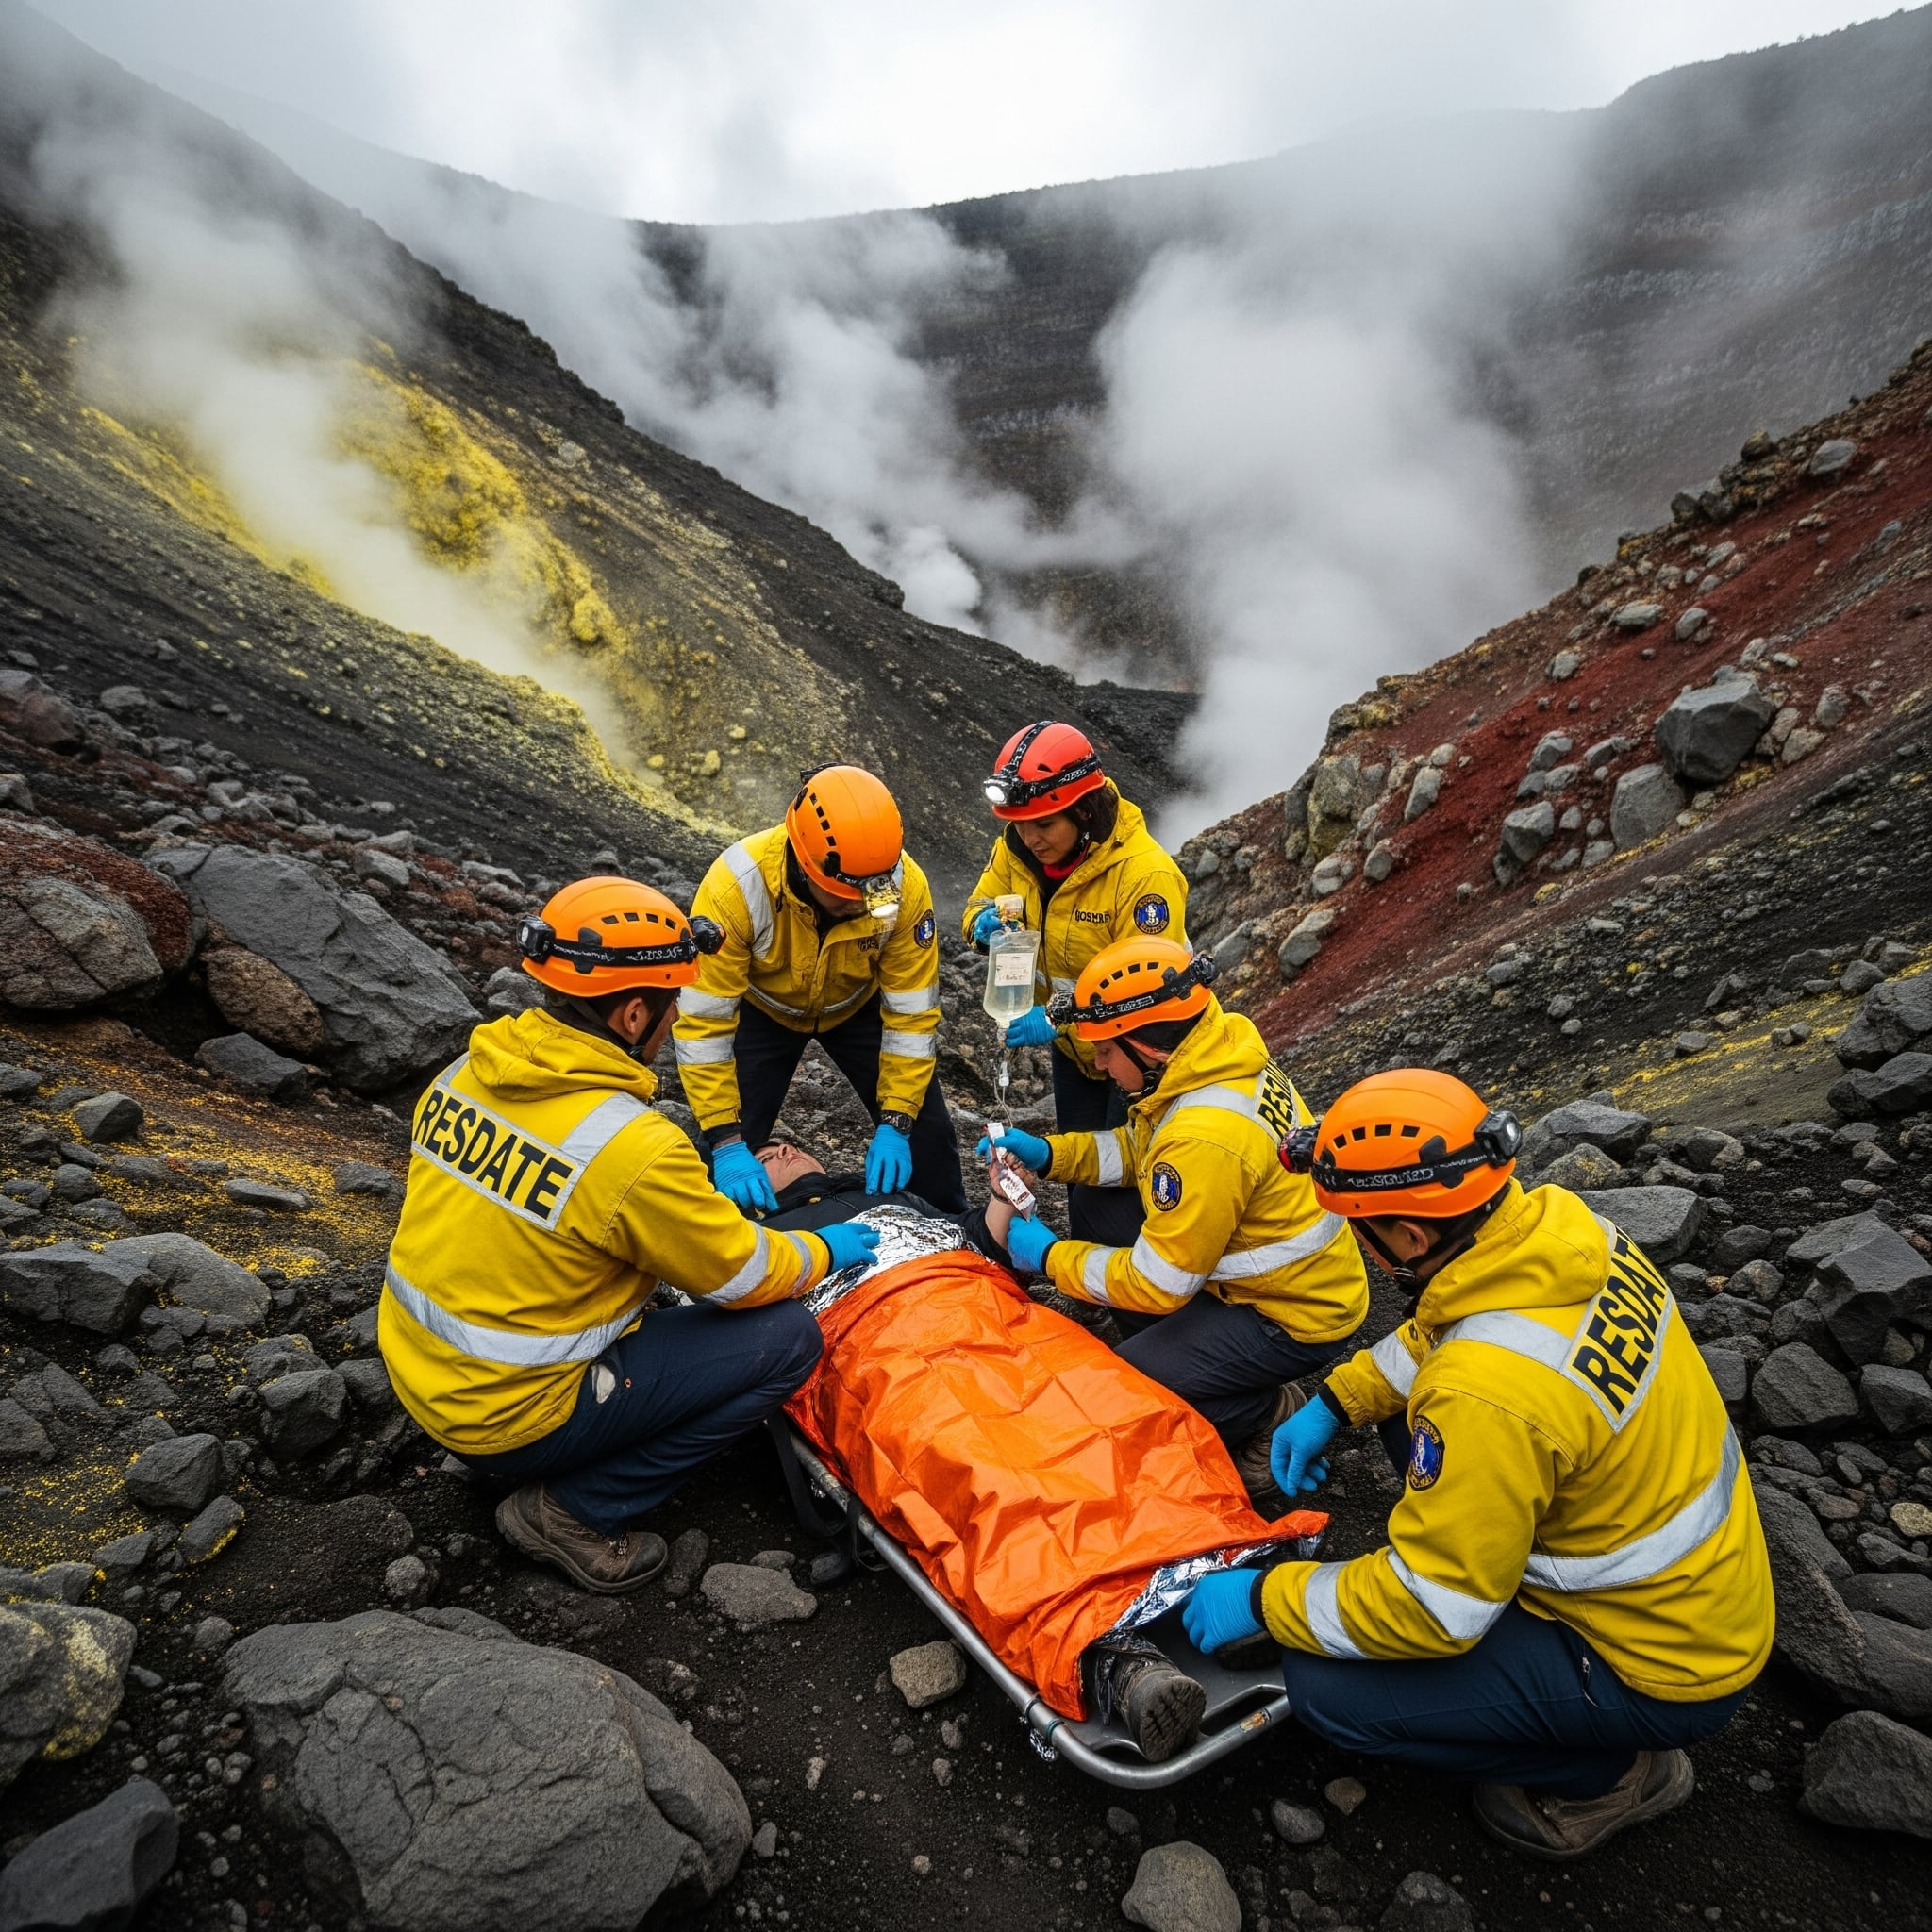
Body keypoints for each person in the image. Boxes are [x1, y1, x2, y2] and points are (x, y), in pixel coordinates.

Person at [1178, 1069, 1773, 1860]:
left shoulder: (1487, 1394)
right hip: (1697, 1586)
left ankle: (1608, 1774)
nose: (1353, 1236)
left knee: (1329, 1694)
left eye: (1358, 1223)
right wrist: (1338, 1400)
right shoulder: (1561, 1236)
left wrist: (1262, 1595)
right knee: (1409, 1418)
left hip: (1659, 1660)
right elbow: (1450, 1324)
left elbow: (1434, 1610)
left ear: (1411, 1237)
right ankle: (1502, 1587)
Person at [744, 1139, 1324, 1764]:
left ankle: (1228, 1568)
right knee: (987, 1470)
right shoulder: (747, 1245)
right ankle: (1116, 1663)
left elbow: (982, 1243)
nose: (781, 1150)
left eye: (789, 1143)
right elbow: (737, 1340)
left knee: (1119, 1409)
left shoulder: (888, 1196)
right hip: (877, 1342)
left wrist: (999, 1197)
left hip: (988, 1309)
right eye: (766, 1152)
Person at [379, 876, 882, 1594]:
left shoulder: (466, 1072)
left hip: (421, 1373)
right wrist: (825, 1249)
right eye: (672, 1002)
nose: (677, 1018)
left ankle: (521, 1449)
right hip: (509, 1415)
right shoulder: (628, 1146)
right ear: (634, 1012)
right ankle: (574, 1511)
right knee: (786, 1341)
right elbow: (743, 1276)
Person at [985, 936, 1369, 1500]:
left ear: (1147, 1045)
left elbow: (1158, 1283)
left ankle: (1265, 1415)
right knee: (1095, 1201)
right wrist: (1053, 1156)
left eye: (1106, 1051)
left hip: (1292, 1314)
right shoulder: (1210, 1054)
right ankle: (1199, 1361)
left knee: (1131, 1386)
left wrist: (1046, 1256)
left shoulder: (1205, 1134)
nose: (1097, 1062)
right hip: (1264, 1277)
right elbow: (1141, 1150)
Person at [674, 763, 965, 1216]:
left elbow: (911, 1015)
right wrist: (726, 1140)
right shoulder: (739, 887)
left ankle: (956, 1235)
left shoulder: (902, 889)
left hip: (856, 1005)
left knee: (928, 1138)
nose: (860, 904)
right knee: (719, 1154)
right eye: (844, 893)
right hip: (762, 1009)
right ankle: (719, 1258)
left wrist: (897, 1121)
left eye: (871, 893)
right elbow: (704, 1024)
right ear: (805, 863)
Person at [962, 722, 1189, 1244]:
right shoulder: (1016, 851)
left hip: (1138, 1055)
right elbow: (978, 902)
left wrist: (1059, 1015)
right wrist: (980, 926)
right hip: (1075, 1051)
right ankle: (1094, 1271)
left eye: (1043, 823)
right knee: (1081, 1176)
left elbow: (1150, 990)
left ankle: (1142, 1286)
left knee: (1130, 1179)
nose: (1030, 837)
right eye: (1019, 825)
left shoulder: (1144, 876)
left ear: (1083, 810)